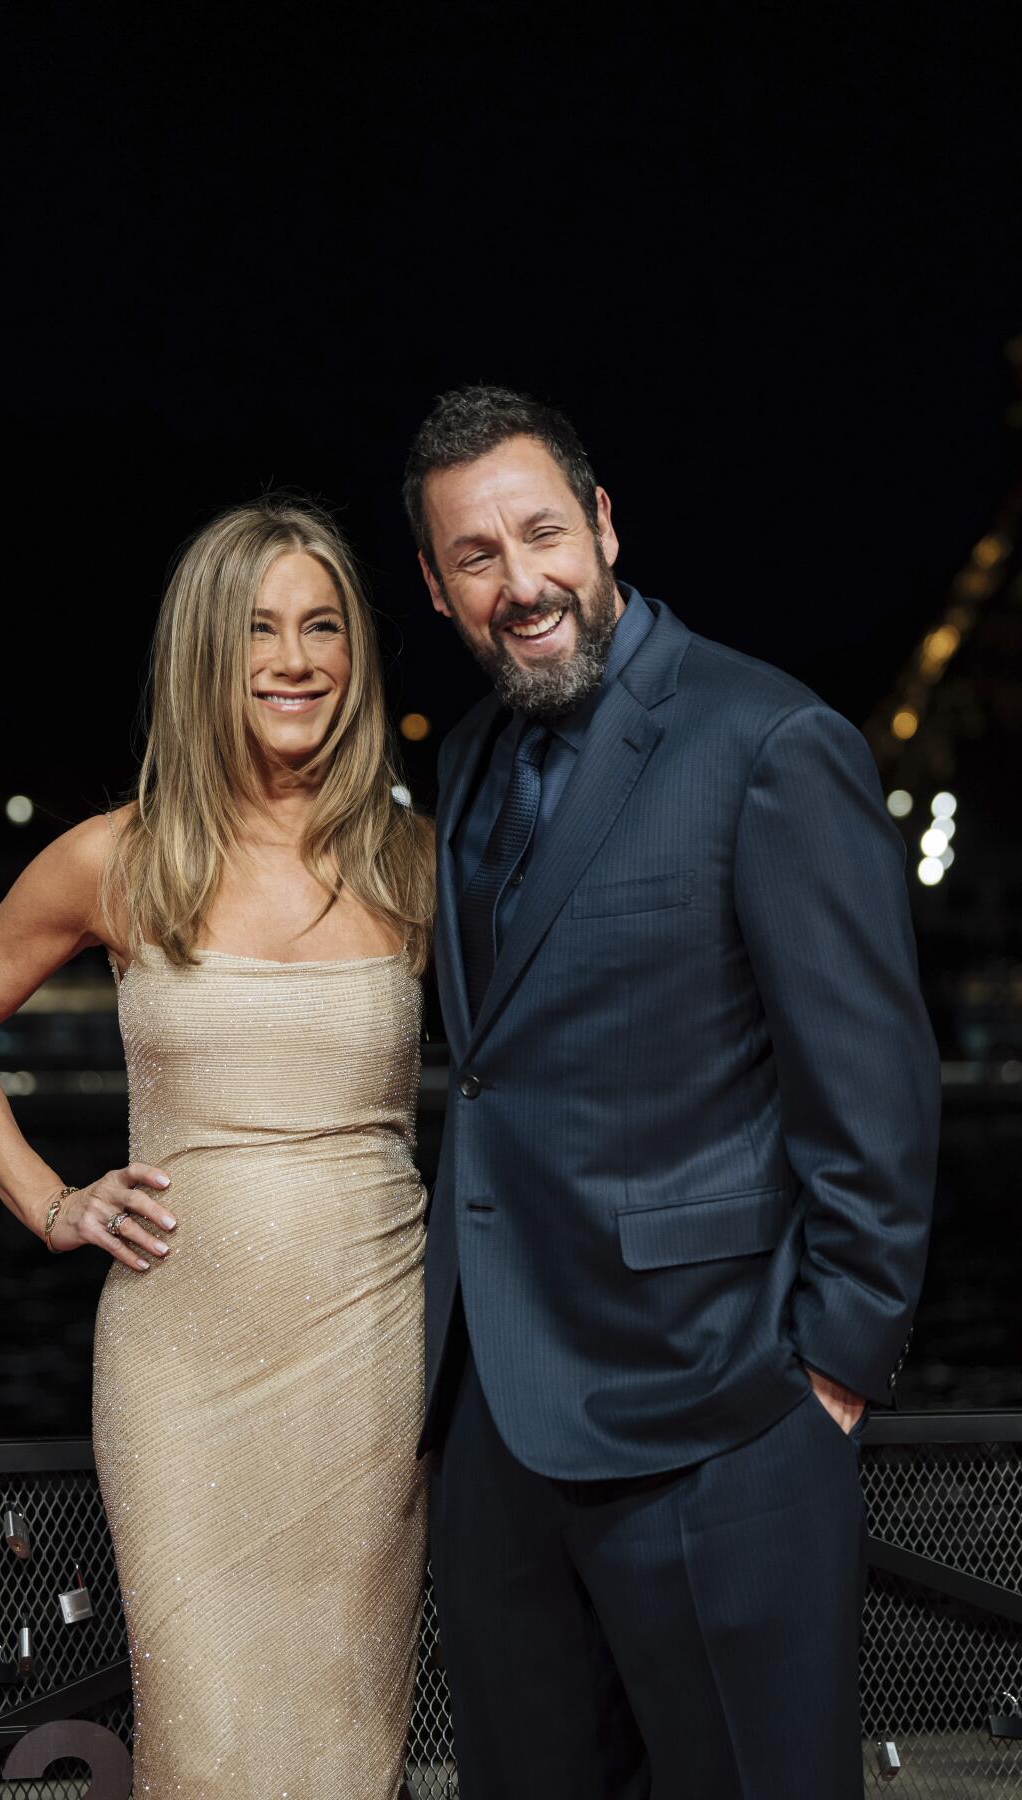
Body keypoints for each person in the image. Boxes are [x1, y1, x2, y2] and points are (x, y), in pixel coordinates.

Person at [402, 385, 940, 1800]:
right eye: (475, 555)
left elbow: (873, 1094)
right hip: (500, 1449)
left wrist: (829, 1374)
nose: (521, 585)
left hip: (718, 1425)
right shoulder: (460, 763)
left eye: (541, 536)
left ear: (604, 524)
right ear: (436, 585)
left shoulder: (765, 741)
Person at [0, 497, 434, 1798]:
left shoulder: (415, 861)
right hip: (180, 1370)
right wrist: (49, 1201)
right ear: (206, 652)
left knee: (345, 1742)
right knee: (202, 1736)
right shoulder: (118, 859)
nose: (296, 659)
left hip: (373, 1361)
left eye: (323, 627)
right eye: (259, 629)